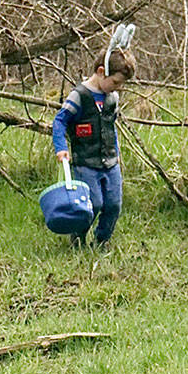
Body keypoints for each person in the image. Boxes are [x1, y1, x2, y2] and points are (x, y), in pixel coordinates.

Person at [52, 47, 136, 247]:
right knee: (93, 203)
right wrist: (61, 147)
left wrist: (117, 152)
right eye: (115, 82)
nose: (118, 88)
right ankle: (78, 239)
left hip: (110, 161)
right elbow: (60, 121)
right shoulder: (79, 96)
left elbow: (110, 126)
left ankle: (101, 241)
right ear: (100, 72)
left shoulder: (112, 98)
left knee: (114, 204)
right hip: (85, 162)